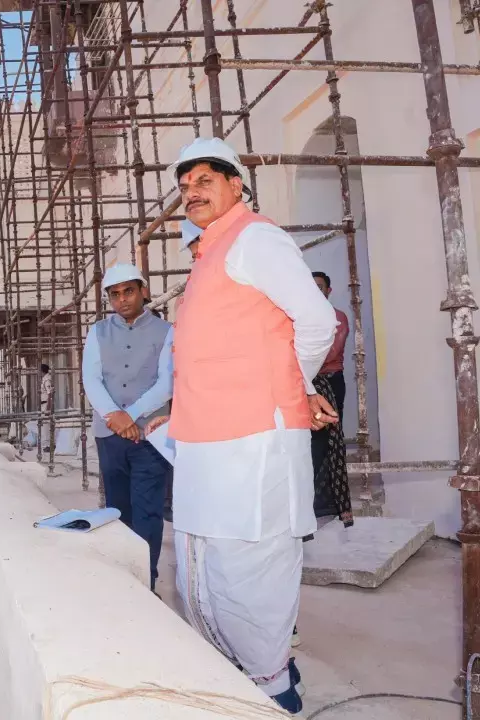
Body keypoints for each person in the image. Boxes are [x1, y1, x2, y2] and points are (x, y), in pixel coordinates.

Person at [162, 137, 338, 715]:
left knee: (251, 566)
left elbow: (314, 323)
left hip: (254, 440)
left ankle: (273, 690)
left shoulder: (255, 238)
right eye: (185, 187)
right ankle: (244, 680)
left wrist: (298, 386)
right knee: (206, 566)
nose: (192, 193)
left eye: (205, 180)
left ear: (237, 183)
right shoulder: (210, 254)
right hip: (208, 441)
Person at [81, 262, 174, 592]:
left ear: (143, 291)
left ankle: (145, 581)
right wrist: (114, 417)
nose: (122, 299)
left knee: (148, 512)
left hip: (151, 435)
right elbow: (90, 379)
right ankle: (123, 581)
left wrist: (130, 416)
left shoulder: (167, 332)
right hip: (110, 435)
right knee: (117, 511)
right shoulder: (98, 332)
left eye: (129, 291)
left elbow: (167, 384)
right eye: (115, 294)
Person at [311, 270, 354, 527]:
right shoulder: (302, 317)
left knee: (327, 441)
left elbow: (327, 354)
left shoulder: (337, 317)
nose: (315, 290)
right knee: (312, 442)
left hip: (329, 383)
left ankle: (326, 501)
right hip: (307, 384)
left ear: (328, 291)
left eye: (319, 286)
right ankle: (316, 501)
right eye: (311, 286)